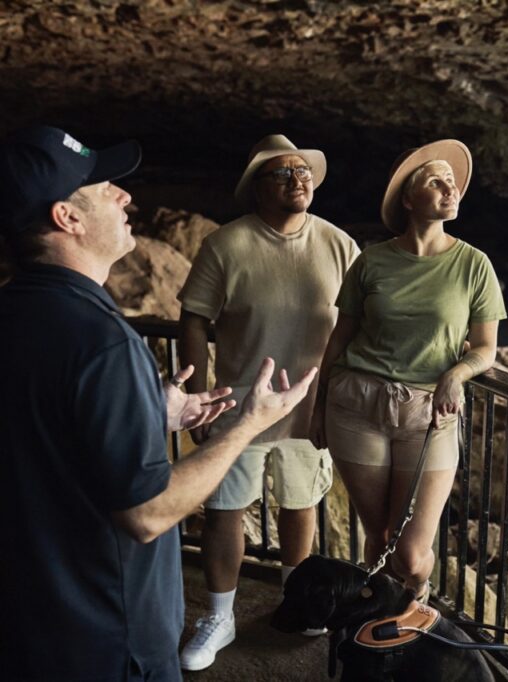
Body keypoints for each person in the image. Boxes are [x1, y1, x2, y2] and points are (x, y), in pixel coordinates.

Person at [0, 125, 316, 681]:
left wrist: (151, 414)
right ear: (66, 218)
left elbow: (46, 437)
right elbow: (147, 514)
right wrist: (249, 424)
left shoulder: (17, 313)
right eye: (103, 188)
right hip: (108, 640)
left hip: (30, 625)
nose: (125, 196)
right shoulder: (103, 342)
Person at [176, 134, 360, 670]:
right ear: (257, 187)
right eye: (283, 173)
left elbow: (357, 324)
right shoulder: (225, 245)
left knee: (300, 505)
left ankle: (295, 602)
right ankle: (219, 616)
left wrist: (334, 399)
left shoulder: (339, 243)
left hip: (309, 406)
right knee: (224, 510)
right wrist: (198, 395)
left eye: (303, 171)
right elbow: (194, 318)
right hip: (239, 405)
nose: (298, 178)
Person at [311, 139, 506, 601]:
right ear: (407, 198)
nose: (450, 188)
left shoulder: (474, 265)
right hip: (356, 406)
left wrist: (455, 375)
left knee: (413, 554)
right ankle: (381, 629)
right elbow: (339, 339)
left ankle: (415, 613)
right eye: (436, 181)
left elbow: (484, 349)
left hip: (428, 415)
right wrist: (316, 408)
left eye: (453, 183)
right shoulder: (372, 261)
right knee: (378, 538)